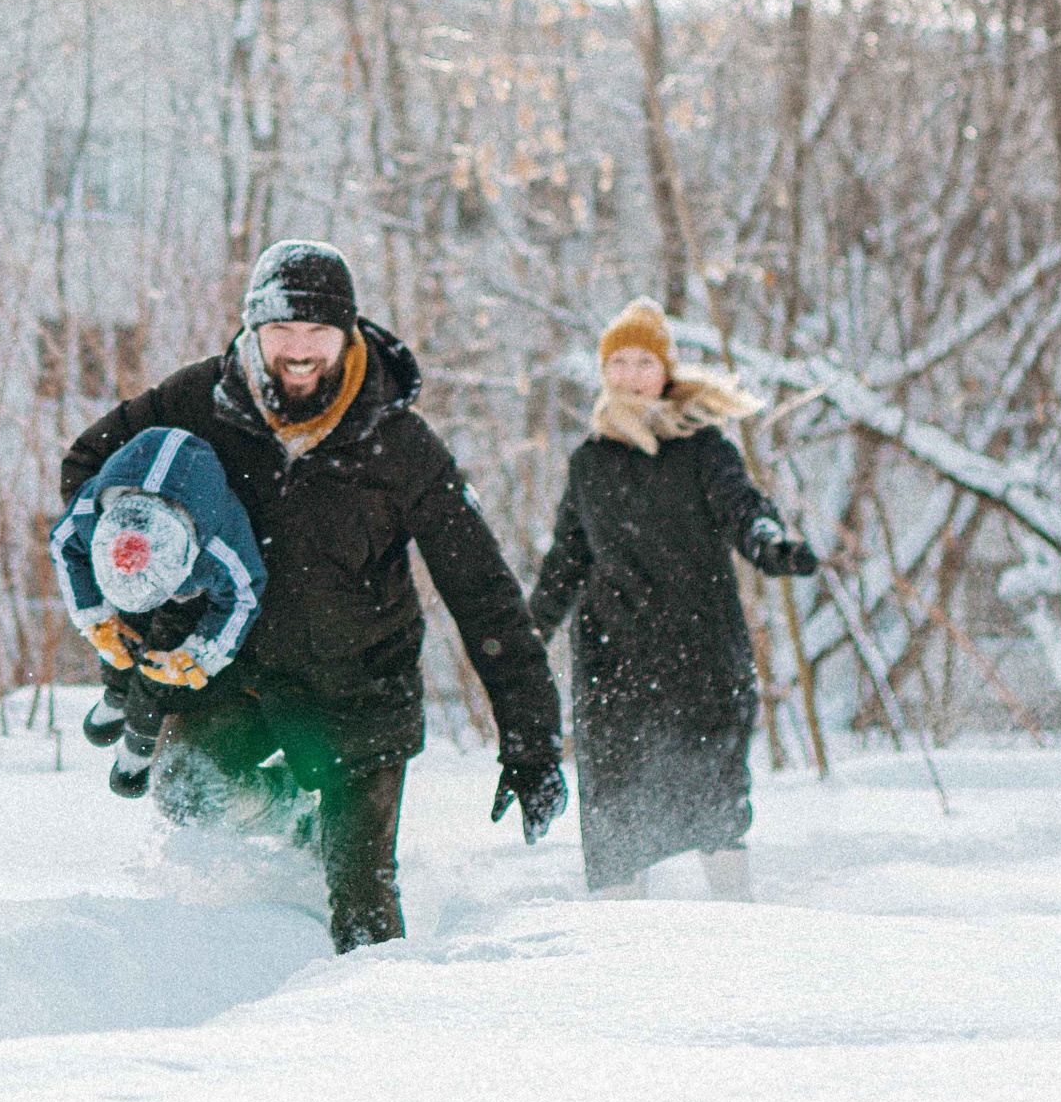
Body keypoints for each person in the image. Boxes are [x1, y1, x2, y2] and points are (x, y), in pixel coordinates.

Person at [55, 238, 568, 951]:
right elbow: (88, 466)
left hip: (360, 691)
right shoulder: (196, 402)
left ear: (348, 333)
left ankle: (371, 1034)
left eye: (318, 331)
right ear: (253, 331)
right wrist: (143, 569)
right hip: (237, 676)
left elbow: (480, 589)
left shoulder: (400, 443)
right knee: (188, 791)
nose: (299, 349)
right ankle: (294, 823)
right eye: (281, 330)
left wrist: (531, 737)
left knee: (361, 903)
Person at [529, 297, 819, 902]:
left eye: (644, 362)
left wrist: (770, 544)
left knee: (714, 798)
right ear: (605, 371)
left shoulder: (703, 449)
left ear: (666, 372)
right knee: (614, 808)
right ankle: (618, 944)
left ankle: (740, 926)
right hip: (614, 662)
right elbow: (568, 557)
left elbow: (744, 509)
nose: (631, 374)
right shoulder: (590, 462)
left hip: (699, 655)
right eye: (620, 362)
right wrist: (527, 634)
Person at [48, 421, 268, 792]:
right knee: (122, 634)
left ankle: (138, 743)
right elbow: (62, 546)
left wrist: (200, 655)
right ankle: (117, 693)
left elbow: (244, 595)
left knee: (160, 660)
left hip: (190, 589)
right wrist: (95, 618)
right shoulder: (89, 516)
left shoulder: (219, 548)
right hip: (130, 561)